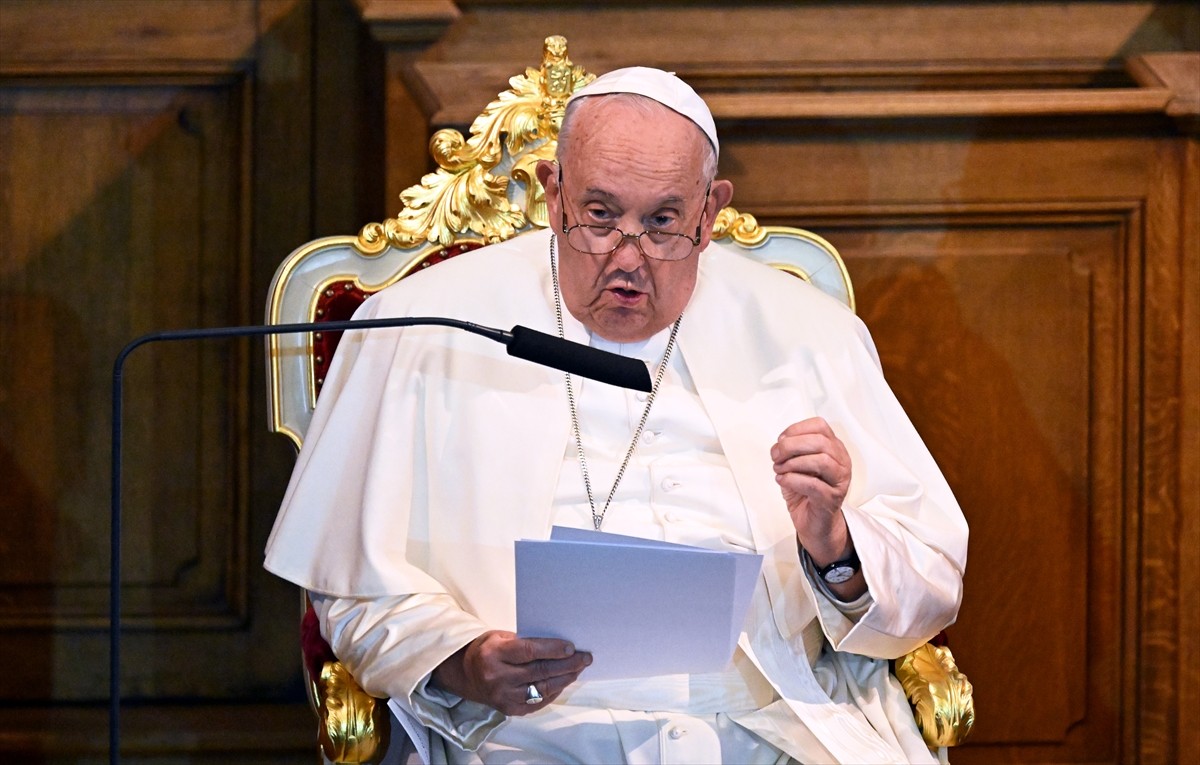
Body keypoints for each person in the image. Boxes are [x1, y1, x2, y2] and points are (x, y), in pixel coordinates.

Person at [265, 67, 968, 764]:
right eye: (599, 217)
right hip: (518, 736)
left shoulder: (807, 333)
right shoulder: (424, 327)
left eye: (663, 222)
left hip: (770, 726)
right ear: (552, 192)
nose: (628, 258)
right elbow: (355, 592)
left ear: (710, 210)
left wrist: (837, 548)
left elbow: (930, 580)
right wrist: (463, 660)